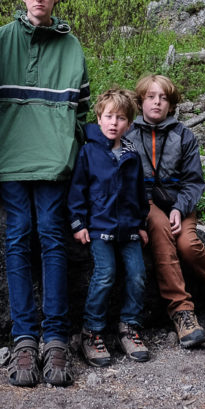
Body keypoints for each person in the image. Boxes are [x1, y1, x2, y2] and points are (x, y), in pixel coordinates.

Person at [0, 0, 90, 388]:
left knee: (53, 240)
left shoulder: (71, 47)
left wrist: (69, 152)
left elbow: (82, 110)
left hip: (54, 165)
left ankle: (55, 338)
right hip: (9, 162)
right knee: (18, 239)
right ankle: (24, 340)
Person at [124, 74, 205, 348]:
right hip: (145, 203)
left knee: (187, 243)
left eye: (163, 98)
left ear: (171, 105)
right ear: (141, 101)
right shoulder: (128, 135)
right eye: (151, 96)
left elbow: (193, 182)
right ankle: (182, 311)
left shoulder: (183, 136)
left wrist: (179, 208)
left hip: (179, 203)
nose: (157, 102)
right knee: (162, 233)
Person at [67, 87, 150, 367]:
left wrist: (140, 224)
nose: (114, 123)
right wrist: (78, 223)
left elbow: (139, 194)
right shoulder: (88, 152)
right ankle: (92, 332)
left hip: (128, 229)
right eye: (109, 116)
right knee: (106, 274)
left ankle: (129, 328)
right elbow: (77, 191)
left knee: (137, 274)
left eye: (121, 118)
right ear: (99, 118)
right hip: (99, 228)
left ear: (129, 123)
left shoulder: (132, 155)